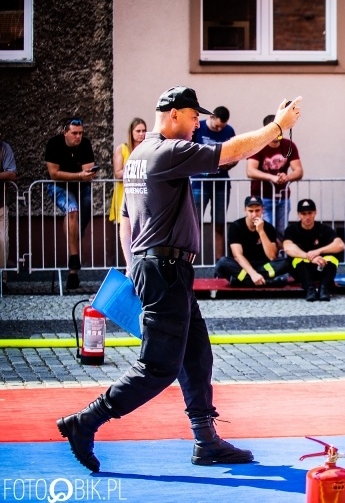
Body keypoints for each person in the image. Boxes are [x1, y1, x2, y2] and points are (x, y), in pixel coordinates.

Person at [56, 86, 302, 473]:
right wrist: (277, 127)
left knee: (197, 355)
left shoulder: (139, 155)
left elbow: (126, 220)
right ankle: (85, 422)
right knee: (158, 367)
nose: (197, 126)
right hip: (165, 270)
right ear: (173, 115)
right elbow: (230, 152)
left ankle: (206, 441)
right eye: (192, 118)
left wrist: (133, 265)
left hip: (161, 269)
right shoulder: (167, 151)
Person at [44, 117, 97, 290]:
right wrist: (78, 175)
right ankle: (74, 258)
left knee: (80, 221)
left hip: (82, 187)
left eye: (81, 133)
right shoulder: (54, 144)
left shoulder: (86, 144)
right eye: (74, 133)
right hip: (58, 187)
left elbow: (89, 170)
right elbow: (54, 174)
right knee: (72, 210)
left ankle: (73, 270)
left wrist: (81, 176)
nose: (78, 137)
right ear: (65, 132)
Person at [191, 106, 237, 261]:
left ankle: (219, 261)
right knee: (194, 223)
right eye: (217, 126)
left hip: (221, 182)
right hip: (199, 182)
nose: (219, 129)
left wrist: (227, 164)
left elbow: (236, 155)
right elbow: (189, 151)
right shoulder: (199, 128)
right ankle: (191, 261)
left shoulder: (229, 131)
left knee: (219, 223)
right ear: (211, 117)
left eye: (221, 127)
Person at [246, 114, 304, 237]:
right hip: (262, 198)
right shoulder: (258, 145)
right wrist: (271, 177)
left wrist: (287, 177)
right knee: (266, 231)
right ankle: (268, 256)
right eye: (273, 130)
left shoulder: (289, 145)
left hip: (282, 197)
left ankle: (280, 255)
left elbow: (298, 170)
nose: (277, 133)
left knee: (282, 232)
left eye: (279, 129)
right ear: (266, 131)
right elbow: (250, 170)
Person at [213, 195, 289, 287]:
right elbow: (237, 255)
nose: (254, 214)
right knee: (222, 262)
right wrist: (253, 274)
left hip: (263, 266)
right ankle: (267, 282)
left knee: (286, 262)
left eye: (257, 210)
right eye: (250, 211)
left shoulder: (268, 228)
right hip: (242, 266)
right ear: (245, 210)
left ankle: (243, 281)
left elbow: (272, 256)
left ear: (262, 210)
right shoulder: (236, 226)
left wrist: (261, 231)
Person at [282, 198, 345, 302]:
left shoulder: (323, 228)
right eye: (303, 213)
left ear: (315, 213)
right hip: (302, 271)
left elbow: (340, 245)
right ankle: (309, 290)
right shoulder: (292, 229)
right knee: (297, 259)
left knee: (333, 257)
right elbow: (288, 247)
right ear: (298, 214)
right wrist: (310, 257)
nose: (307, 217)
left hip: (321, 267)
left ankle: (324, 289)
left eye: (310, 213)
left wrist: (318, 251)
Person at [110, 118, 147, 223]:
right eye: (138, 131)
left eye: (144, 131)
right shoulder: (122, 148)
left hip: (141, 193)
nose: (141, 134)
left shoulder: (147, 149)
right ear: (131, 132)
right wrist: (135, 169)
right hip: (125, 193)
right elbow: (118, 173)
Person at [0, 131, 17, 290]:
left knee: (2, 242)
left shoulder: (4, 148)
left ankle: (1, 280)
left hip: (0, 206)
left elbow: (11, 173)